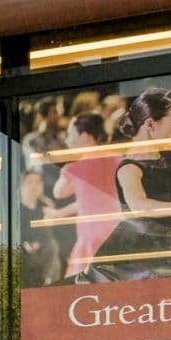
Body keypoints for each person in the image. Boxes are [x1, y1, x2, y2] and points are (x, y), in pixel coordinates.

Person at [99, 89, 171, 279]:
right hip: (127, 258)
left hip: (156, 251)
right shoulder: (130, 167)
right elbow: (139, 205)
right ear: (150, 124)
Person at [52, 113, 122, 280]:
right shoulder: (117, 159)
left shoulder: (75, 169)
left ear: (84, 135)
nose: (67, 140)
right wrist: (61, 213)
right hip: (117, 231)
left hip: (90, 236)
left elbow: (58, 192)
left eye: (71, 134)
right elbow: (94, 200)